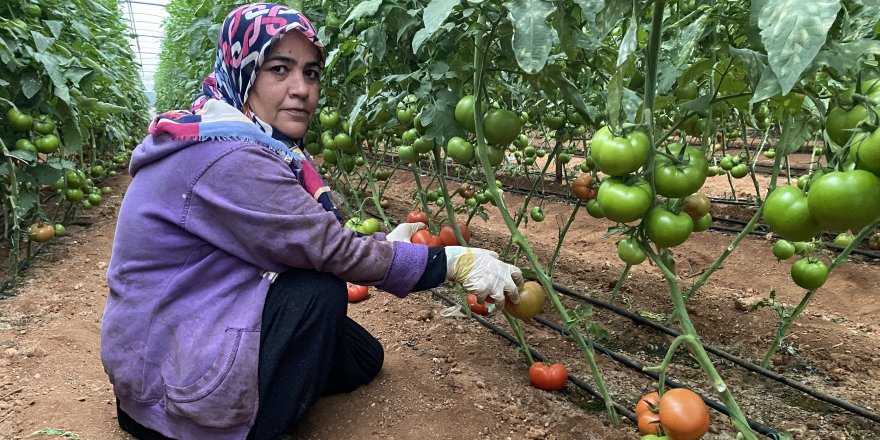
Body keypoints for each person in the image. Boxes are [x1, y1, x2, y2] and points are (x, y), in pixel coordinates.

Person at [99, 3, 523, 440]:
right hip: (169, 382)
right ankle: (234, 429)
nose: (301, 89)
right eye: (279, 69)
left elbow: (294, 235)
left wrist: (389, 252)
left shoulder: (233, 134)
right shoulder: (228, 156)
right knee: (317, 291)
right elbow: (326, 248)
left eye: (311, 72)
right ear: (243, 73)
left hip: (192, 322)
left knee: (363, 356)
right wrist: (449, 263)